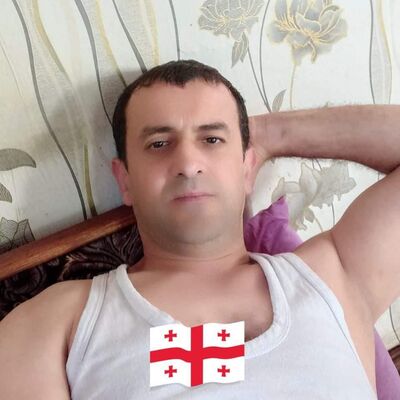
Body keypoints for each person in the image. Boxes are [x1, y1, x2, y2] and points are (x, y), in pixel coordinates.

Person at [0, 59, 399, 399]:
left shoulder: (335, 273)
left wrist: (269, 135)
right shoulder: (52, 324)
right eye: (159, 144)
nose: (189, 163)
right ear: (125, 180)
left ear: (247, 168)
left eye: (211, 138)